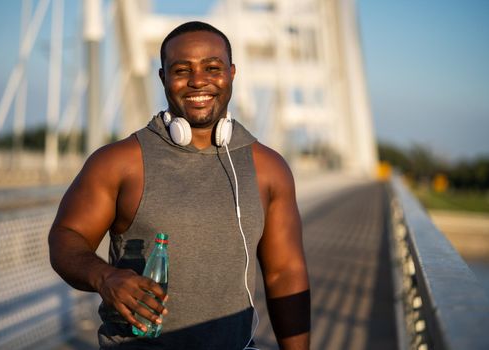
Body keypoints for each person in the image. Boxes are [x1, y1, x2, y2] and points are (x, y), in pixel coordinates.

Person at [49, 21, 310, 349]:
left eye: (212, 68)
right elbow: (65, 238)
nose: (198, 80)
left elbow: (284, 273)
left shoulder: (268, 168)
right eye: (182, 69)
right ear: (163, 78)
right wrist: (105, 278)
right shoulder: (119, 162)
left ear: (231, 73)